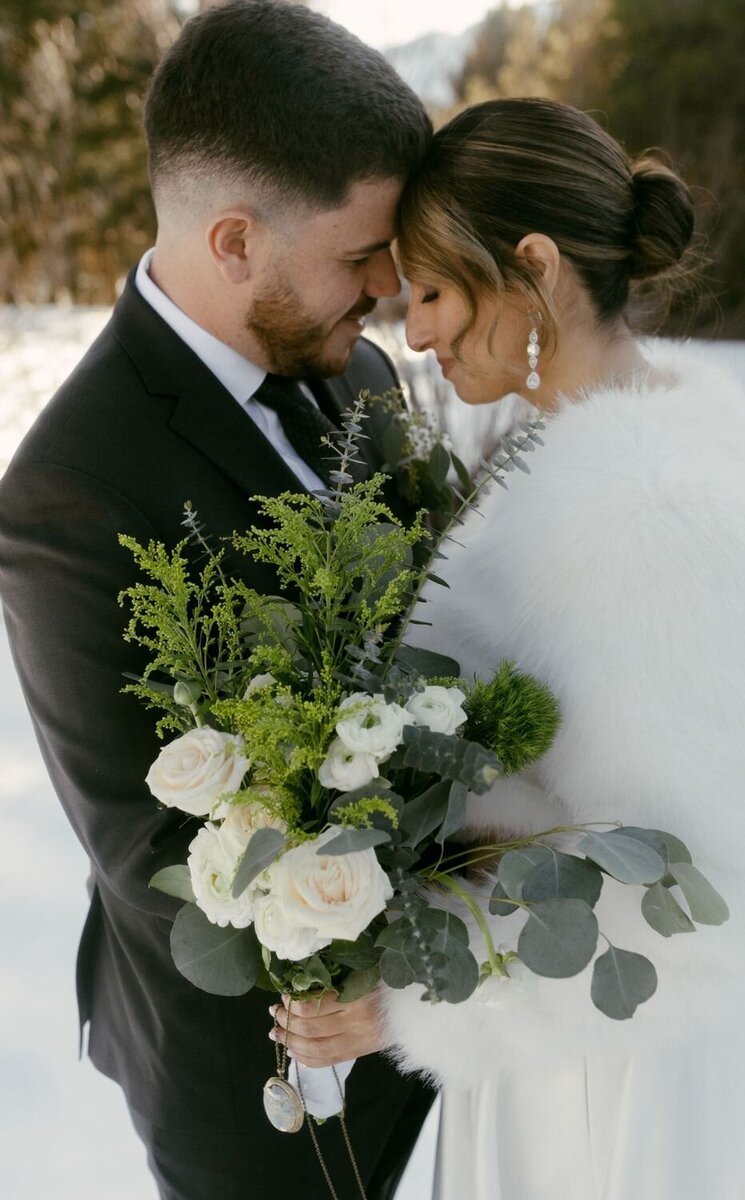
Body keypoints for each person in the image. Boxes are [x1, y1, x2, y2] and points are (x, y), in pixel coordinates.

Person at [0, 3, 435, 1197]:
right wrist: (407, 968)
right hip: (260, 1092)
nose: (391, 288)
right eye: (361, 255)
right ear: (236, 240)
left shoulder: (358, 368)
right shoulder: (68, 490)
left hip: (454, 1054)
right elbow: (154, 854)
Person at [376, 98, 745, 1199]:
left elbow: (695, 896)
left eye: (429, 291)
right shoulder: (636, 447)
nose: (413, 332)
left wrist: (403, 993)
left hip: (618, 1071)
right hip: (576, 1036)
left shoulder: (633, 506)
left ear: (533, 266)